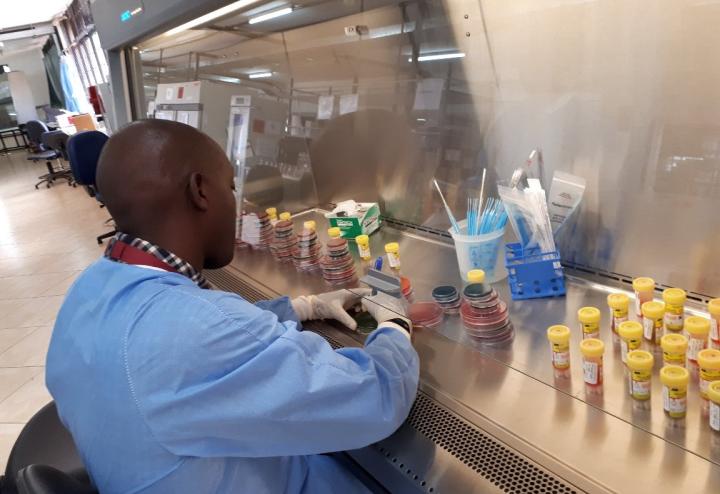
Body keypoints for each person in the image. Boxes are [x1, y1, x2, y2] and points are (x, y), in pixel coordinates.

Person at [46, 120, 420, 494]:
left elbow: (188, 333)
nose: (235, 201)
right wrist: (395, 326)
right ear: (200, 191)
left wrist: (304, 307)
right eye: (230, 187)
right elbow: (374, 400)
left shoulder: (88, 290)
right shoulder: (198, 331)